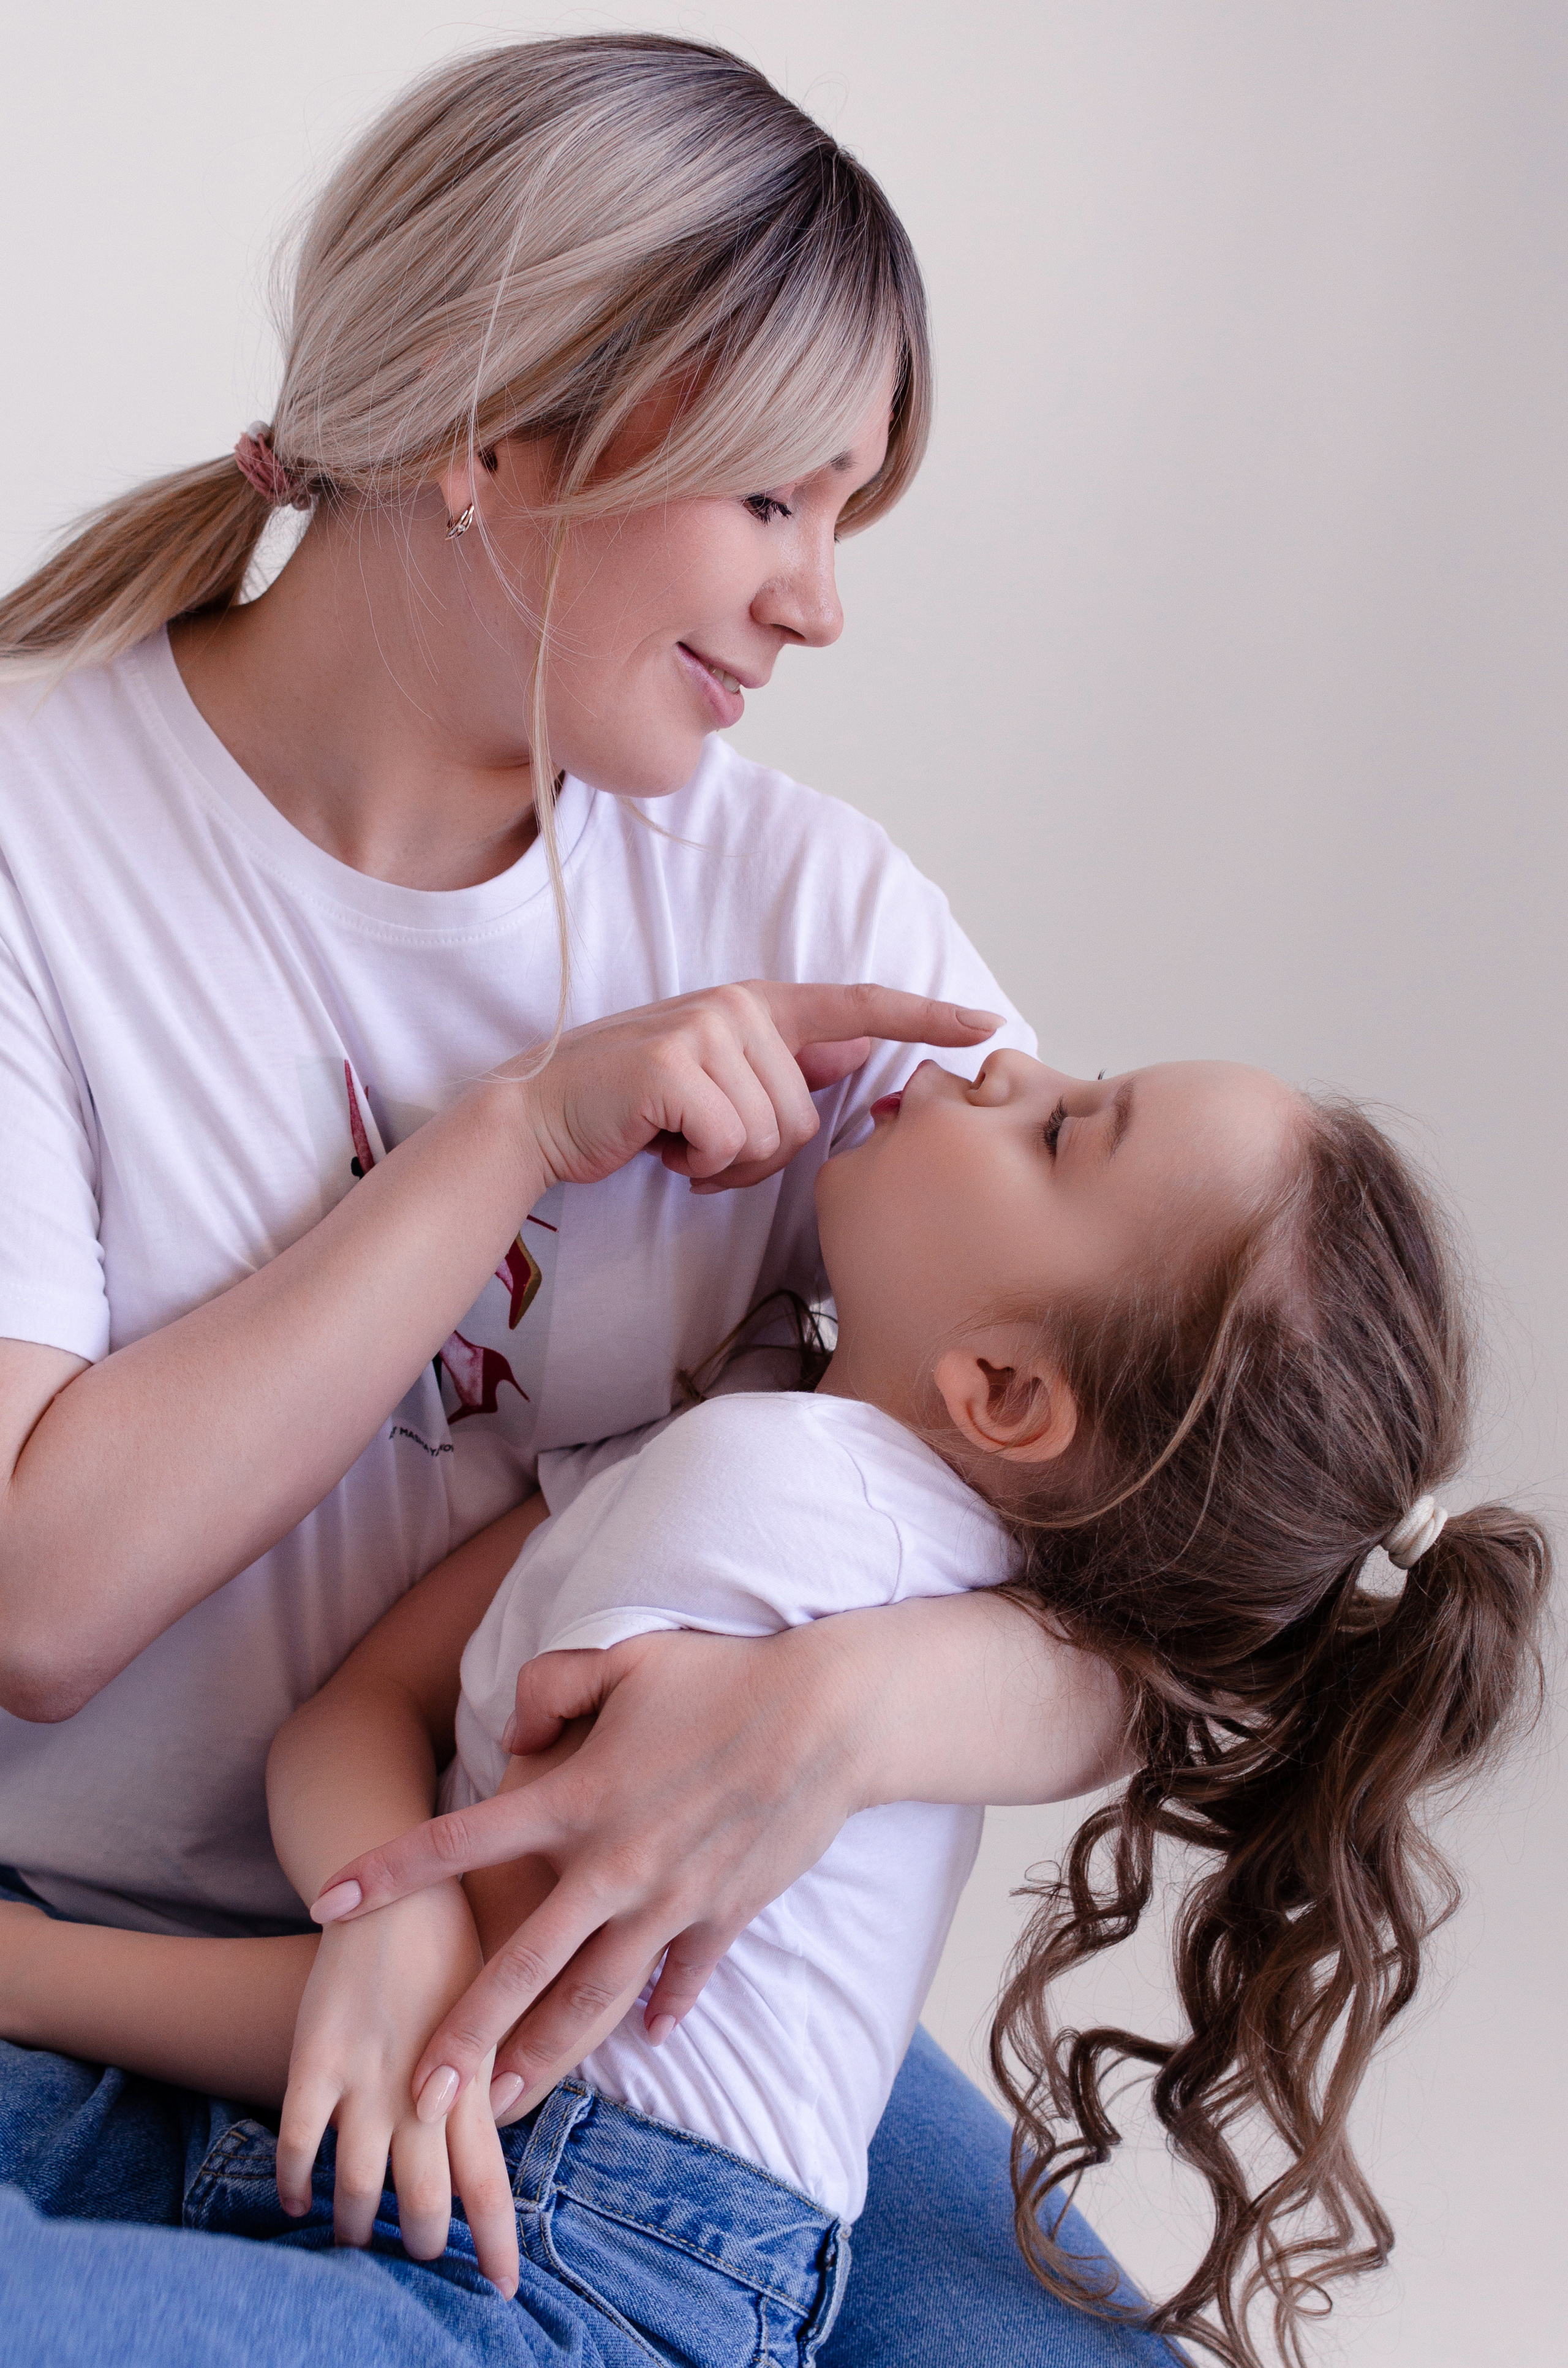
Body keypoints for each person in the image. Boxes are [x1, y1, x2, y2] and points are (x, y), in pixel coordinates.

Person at [0, 33, 1177, 2368]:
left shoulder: (810, 904)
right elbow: (44, 1595)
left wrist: (851, 1705)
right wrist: (516, 1130)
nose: (820, 605)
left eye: (852, 517)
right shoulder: (40, 828)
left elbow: (1172, 1550)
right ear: (489, 426)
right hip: (83, 1972)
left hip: (582, 2059)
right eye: (777, 505)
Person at [0, 1046, 1546, 2368]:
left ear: (1004, 1388)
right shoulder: (766, 1452)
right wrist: (377, 1914)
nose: (1006, 1067)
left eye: (1065, 1129)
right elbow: (365, 1720)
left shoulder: (779, 1506)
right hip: (468, 2177)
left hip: (579, 2268)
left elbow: (470, 2031)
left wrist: (31, 1969)